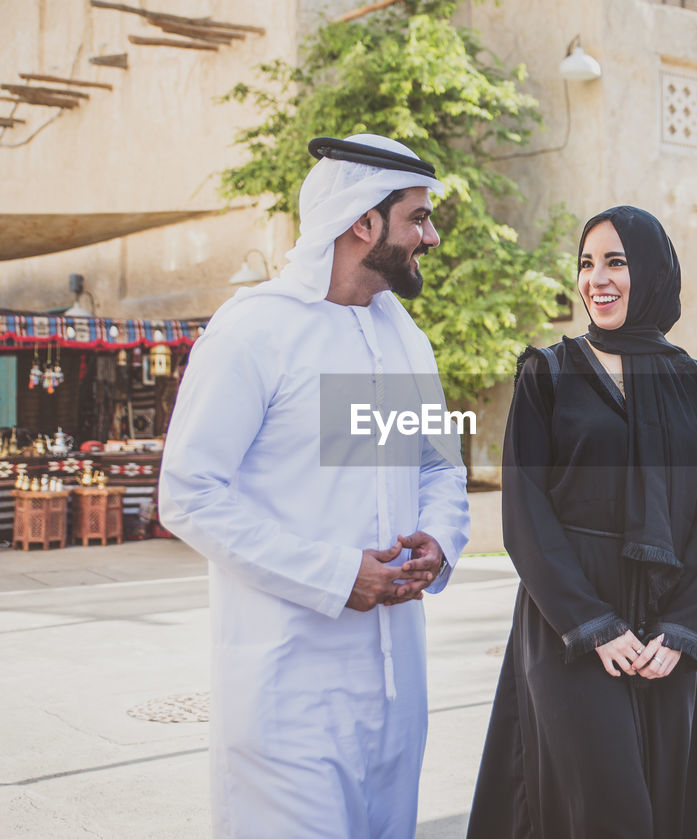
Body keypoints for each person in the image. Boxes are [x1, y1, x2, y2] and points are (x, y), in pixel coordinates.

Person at [159, 134, 470, 838]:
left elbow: (437, 466)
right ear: (363, 222)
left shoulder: (406, 337)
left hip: (398, 696)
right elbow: (189, 492)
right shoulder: (254, 331)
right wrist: (336, 575)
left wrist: (440, 542)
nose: (433, 235)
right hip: (288, 695)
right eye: (418, 218)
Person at [466, 206, 697, 838]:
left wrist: (685, 631)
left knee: (670, 802)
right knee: (607, 805)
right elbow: (524, 512)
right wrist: (592, 625)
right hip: (568, 623)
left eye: (616, 261)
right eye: (586, 263)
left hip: (665, 627)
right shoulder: (547, 375)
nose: (596, 279)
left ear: (652, 272)